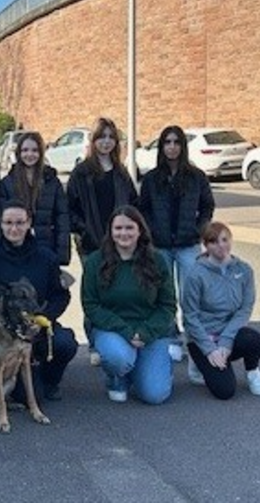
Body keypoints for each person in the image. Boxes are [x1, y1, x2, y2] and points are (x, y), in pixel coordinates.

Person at [0, 200, 78, 401]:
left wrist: (44, 318)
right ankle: (23, 383)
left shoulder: (46, 258)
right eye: (8, 223)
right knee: (28, 398)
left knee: (65, 343)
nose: (14, 228)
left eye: (19, 223)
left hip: (37, 329)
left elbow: (60, 296)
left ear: (29, 223)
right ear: (1, 224)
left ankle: (49, 381)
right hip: (1, 337)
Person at [81, 205, 176, 404]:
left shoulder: (157, 260)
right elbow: (91, 305)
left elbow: (167, 305)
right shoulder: (95, 261)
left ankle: (150, 366)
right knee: (119, 358)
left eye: (129, 228)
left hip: (149, 331)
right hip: (112, 329)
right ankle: (117, 377)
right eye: (118, 228)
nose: (123, 233)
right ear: (111, 231)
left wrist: (146, 332)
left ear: (140, 230)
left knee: (154, 395)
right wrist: (125, 331)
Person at [139, 125, 214, 362]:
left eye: (176, 142)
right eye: (167, 142)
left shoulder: (196, 176)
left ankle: (194, 340)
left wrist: (200, 228)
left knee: (190, 295)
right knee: (165, 295)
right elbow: (143, 210)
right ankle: (171, 338)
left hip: (187, 244)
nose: (172, 147)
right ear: (161, 147)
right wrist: (150, 234)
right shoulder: (152, 178)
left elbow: (207, 206)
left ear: (183, 146)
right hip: (160, 246)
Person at [67, 117, 138, 364]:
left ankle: (119, 340)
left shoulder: (121, 173)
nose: (106, 142)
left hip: (121, 244)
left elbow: (133, 205)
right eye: (101, 137)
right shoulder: (81, 172)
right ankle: (96, 344)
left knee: (117, 293)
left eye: (110, 137)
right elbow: (70, 209)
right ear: (93, 140)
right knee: (94, 295)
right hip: (91, 245)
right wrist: (84, 230)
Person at [181, 222, 260, 399]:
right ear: (205, 245)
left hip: (228, 335)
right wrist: (210, 349)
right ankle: (200, 363)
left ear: (231, 240)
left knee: (253, 339)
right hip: (203, 338)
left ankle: (253, 372)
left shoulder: (244, 270)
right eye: (214, 241)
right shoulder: (195, 274)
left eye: (225, 239)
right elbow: (190, 316)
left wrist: (226, 340)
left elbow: (245, 308)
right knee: (225, 392)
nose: (221, 246)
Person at [0, 131, 70, 266]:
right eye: (25, 150)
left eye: (34, 150)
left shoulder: (52, 182)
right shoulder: (7, 183)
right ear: (19, 153)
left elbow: (62, 218)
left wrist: (62, 254)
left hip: (46, 248)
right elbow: (1, 220)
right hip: (16, 249)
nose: (30, 154)